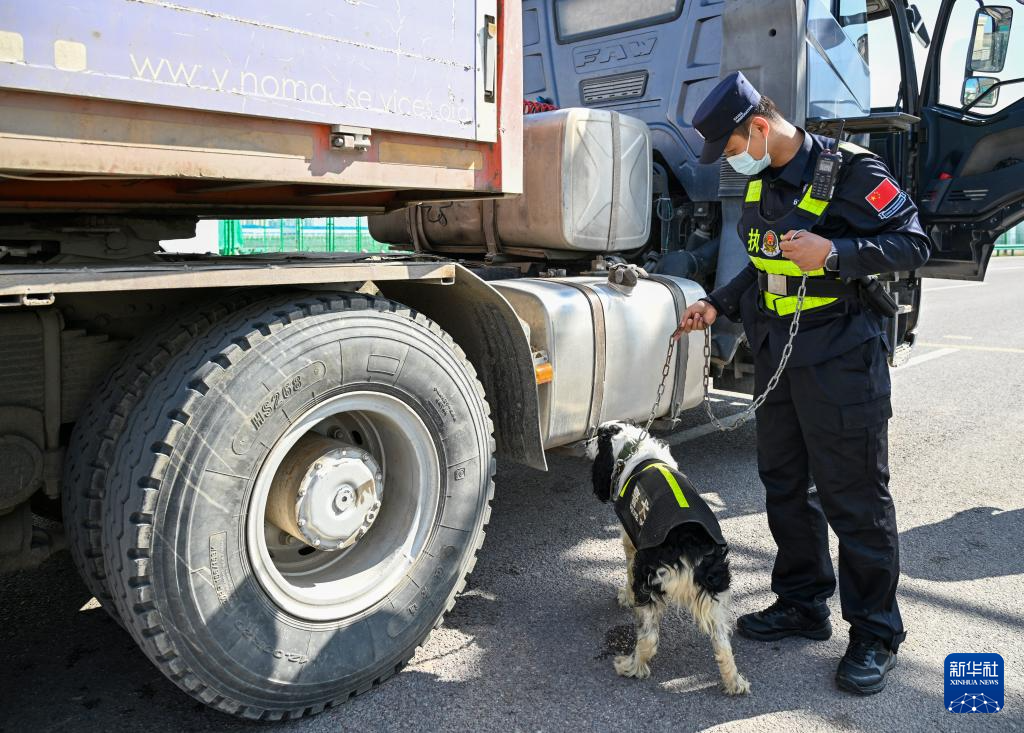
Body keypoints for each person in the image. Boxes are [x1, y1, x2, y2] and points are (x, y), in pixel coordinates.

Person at [674, 71, 930, 695]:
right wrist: (718, 303)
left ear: (759, 126)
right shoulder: (762, 187)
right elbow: (763, 267)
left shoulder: (852, 173)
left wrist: (836, 254)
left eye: (733, 147)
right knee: (785, 485)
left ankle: (874, 632)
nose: (732, 161)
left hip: (841, 356)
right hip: (777, 356)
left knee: (856, 498)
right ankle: (802, 603)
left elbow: (915, 243)